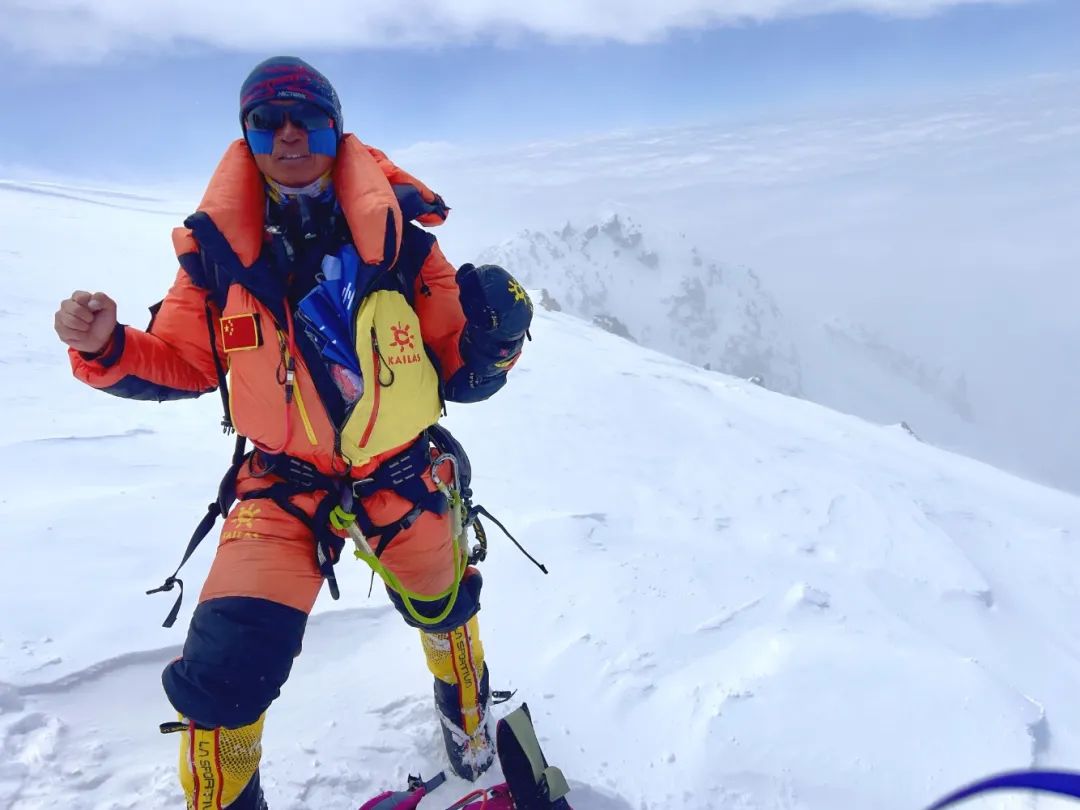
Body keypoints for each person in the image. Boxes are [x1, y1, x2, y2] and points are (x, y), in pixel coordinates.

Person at [53, 56, 532, 810]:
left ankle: (470, 731)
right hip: (282, 485)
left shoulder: (404, 243)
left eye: (306, 118)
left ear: (335, 130)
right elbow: (182, 361)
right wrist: (107, 347)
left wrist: (495, 343)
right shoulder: (216, 258)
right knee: (219, 681)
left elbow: (455, 367)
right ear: (246, 137)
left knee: (446, 609)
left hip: (401, 474)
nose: (287, 136)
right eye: (265, 121)